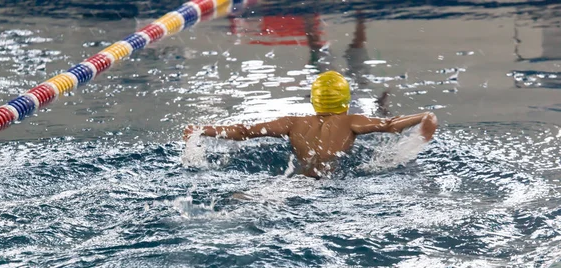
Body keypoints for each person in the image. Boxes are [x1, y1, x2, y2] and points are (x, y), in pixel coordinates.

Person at [184, 71, 437, 178]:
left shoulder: (293, 122)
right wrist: (426, 116)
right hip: (324, 184)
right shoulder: (351, 121)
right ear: (345, 101)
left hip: (295, 178)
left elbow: (244, 131)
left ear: (315, 101)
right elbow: (391, 124)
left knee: (265, 197)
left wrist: (203, 129)